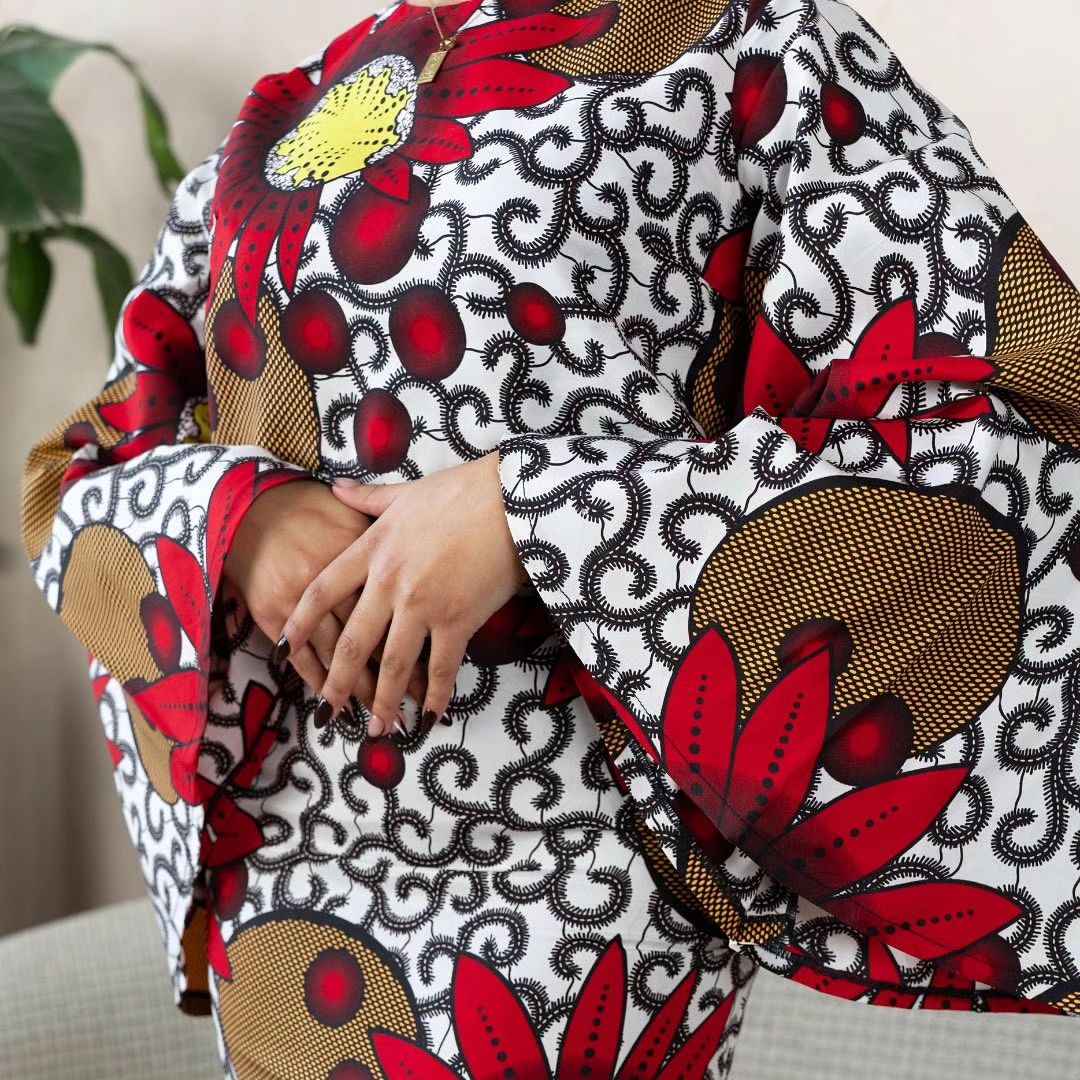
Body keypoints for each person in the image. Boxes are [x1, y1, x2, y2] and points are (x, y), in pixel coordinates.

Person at [18, 0, 1080, 1075]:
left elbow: (1011, 406)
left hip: (583, 869)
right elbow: (85, 471)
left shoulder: (759, 39)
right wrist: (236, 517)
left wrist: (534, 513)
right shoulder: (292, 111)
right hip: (298, 868)